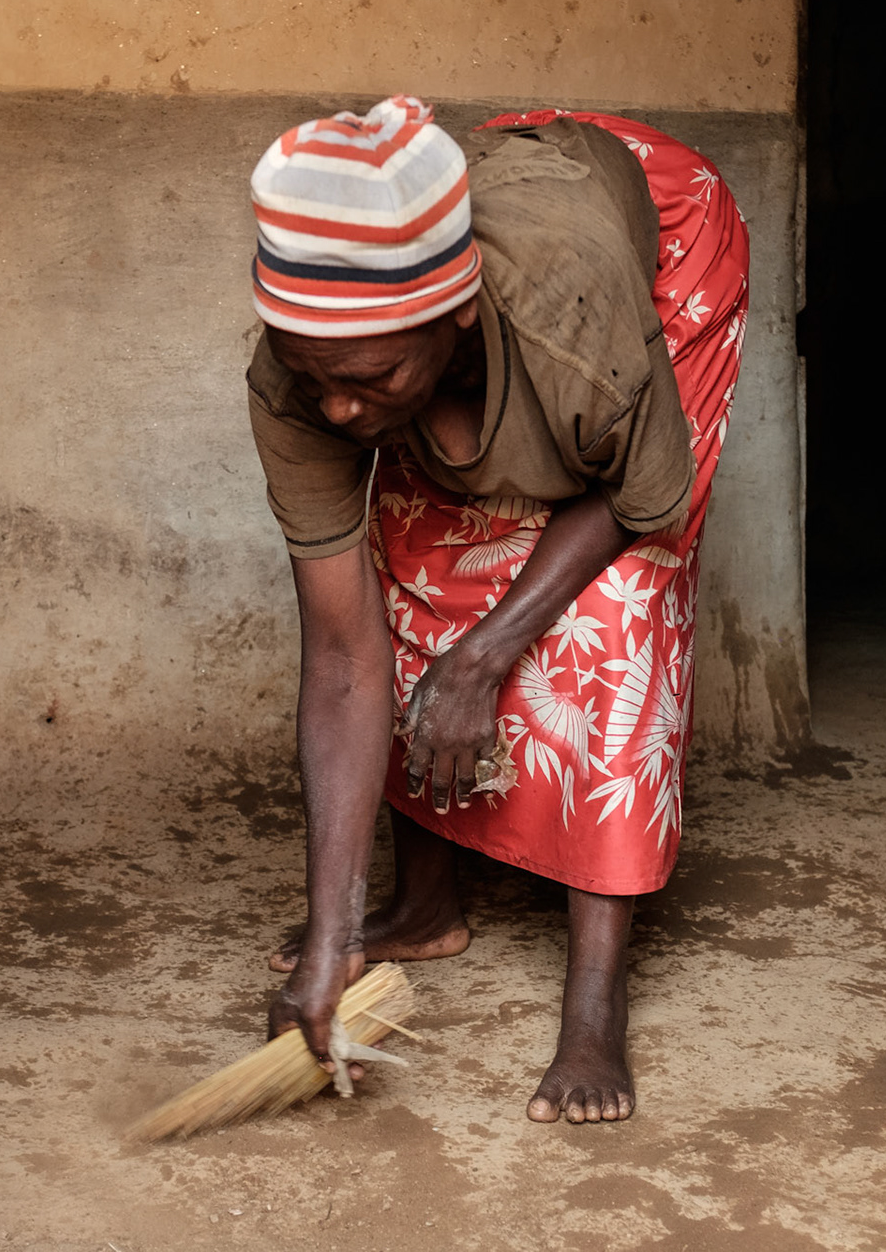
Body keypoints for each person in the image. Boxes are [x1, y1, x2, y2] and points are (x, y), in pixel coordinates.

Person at [245, 95, 748, 1124]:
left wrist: (483, 657)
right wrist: (330, 929)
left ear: (456, 312)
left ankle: (597, 1001)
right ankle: (424, 905)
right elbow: (344, 655)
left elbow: (644, 498)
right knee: (418, 557)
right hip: (509, 230)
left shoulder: (579, 327)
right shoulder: (303, 378)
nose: (340, 411)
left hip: (654, 233)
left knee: (623, 605)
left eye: (370, 376)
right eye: (315, 379)